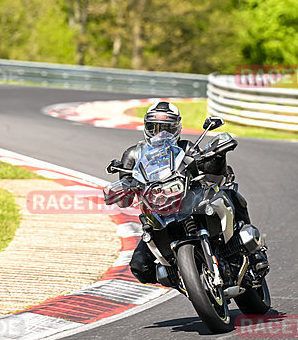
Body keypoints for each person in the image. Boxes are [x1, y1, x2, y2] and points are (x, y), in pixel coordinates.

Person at [115, 100, 268, 284]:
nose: (161, 134)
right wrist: (123, 189)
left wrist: (217, 154)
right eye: (156, 128)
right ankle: (183, 278)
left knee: (229, 194)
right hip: (158, 215)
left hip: (192, 204)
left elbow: (211, 172)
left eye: (167, 129)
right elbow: (124, 194)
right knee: (140, 266)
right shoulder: (133, 155)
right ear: (147, 128)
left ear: (177, 128)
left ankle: (256, 255)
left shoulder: (187, 147)